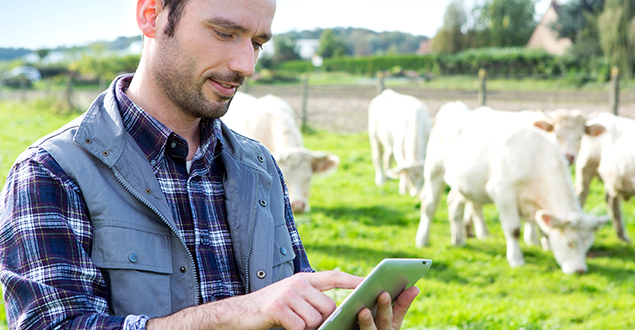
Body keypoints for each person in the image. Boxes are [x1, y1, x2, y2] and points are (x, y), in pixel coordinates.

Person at [0, 0, 420, 329]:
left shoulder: (261, 166)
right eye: (225, 33)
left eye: (256, 43)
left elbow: (289, 307)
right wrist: (236, 314)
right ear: (151, 15)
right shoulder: (51, 172)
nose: (246, 65)